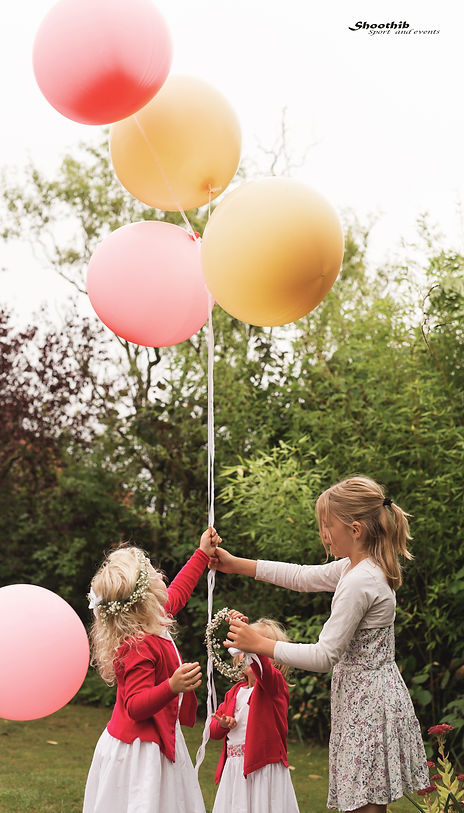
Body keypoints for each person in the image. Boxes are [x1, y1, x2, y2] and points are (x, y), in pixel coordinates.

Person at [210, 475, 429, 813]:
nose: (323, 534)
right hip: (364, 699)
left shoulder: (359, 581)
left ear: (355, 530)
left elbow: (324, 655)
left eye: (327, 526)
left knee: (364, 805)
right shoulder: (357, 567)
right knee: (365, 801)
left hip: (367, 705)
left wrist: (262, 644)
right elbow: (301, 577)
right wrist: (235, 564)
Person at [83, 527, 221, 813]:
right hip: (140, 753)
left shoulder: (151, 617)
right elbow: (135, 705)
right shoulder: (138, 645)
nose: (160, 574)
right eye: (152, 571)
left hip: (158, 737)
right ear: (144, 595)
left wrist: (201, 554)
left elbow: (179, 592)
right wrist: (171, 686)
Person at [209, 612, 299, 813]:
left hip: (263, 770)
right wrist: (222, 724)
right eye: (246, 645)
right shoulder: (234, 692)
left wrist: (249, 639)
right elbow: (214, 732)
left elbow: (263, 669)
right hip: (235, 770)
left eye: (257, 645)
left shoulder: (274, 686)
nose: (249, 649)